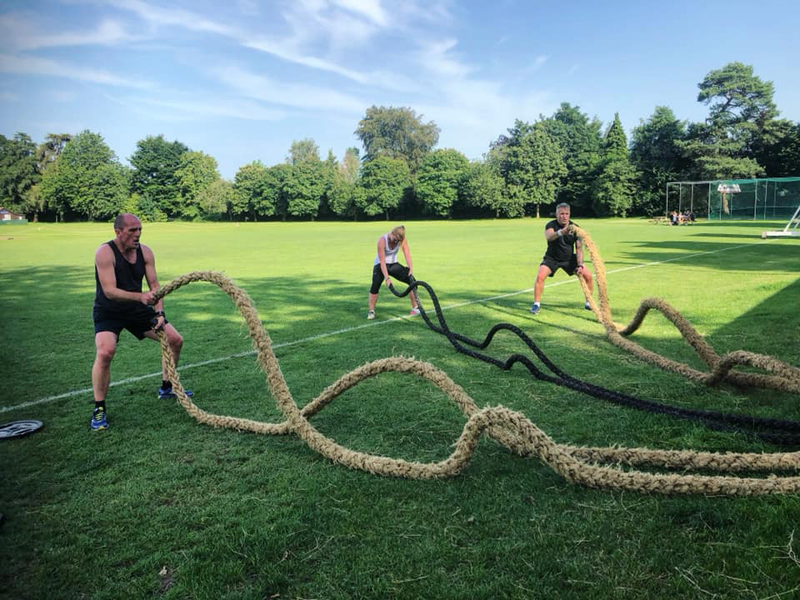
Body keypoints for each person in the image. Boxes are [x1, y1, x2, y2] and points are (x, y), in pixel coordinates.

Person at [91, 213, 192, 430]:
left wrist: (160, 313)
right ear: (118, 232)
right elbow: (109, 291)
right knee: (105, 351)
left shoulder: (145, 252)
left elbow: (155, 286)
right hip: (109, 311)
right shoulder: (105, 252)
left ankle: (167, 387)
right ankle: (99, 408)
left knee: (175, 340)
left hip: (137, 310)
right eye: (132, 230)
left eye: (140, 230)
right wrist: (140, 297)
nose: (137, 234)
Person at [530, 202, 594, 315]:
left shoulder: (576, 228)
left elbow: (579, 249)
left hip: (569, 259)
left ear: (569, 214)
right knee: (540, 276)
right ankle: (536, 304)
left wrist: (580, 264)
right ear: (556, 214)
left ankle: (588, 303)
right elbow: (549, 237)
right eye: (561, 214)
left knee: (588, 276)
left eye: (566, 214)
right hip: (552, 258)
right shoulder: (551, 225)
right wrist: (562, 232)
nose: (564, 216)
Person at [367, 225, 419, 320]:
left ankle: (415, 308)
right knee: (375, 286)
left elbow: (407, 254)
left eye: (398, 241)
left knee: (412, 282)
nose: (396, 242)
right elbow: (382, 261)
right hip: (380, 265)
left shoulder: (402, 240)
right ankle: (371, 311)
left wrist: (410, 269)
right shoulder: (382, 241)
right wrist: (387, 278)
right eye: (395, 239)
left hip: (393, 264)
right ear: (392, 233)